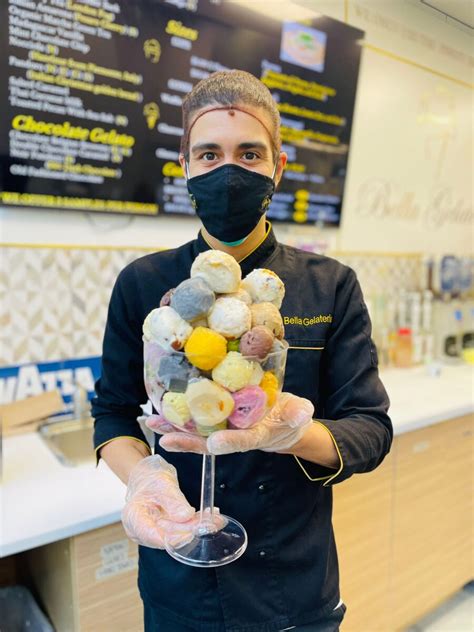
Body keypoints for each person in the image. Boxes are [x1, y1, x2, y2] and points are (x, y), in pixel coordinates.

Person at [92, 70, 392, 632]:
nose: (228, 171)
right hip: (178, 580)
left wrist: (290, 436)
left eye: (249, 154)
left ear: (278, 168)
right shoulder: (142, 284)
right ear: (185, 165)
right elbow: (112, 411)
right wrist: (145, 478)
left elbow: (371, 430)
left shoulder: (330, 285)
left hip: (294, 590)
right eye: (209, 154)